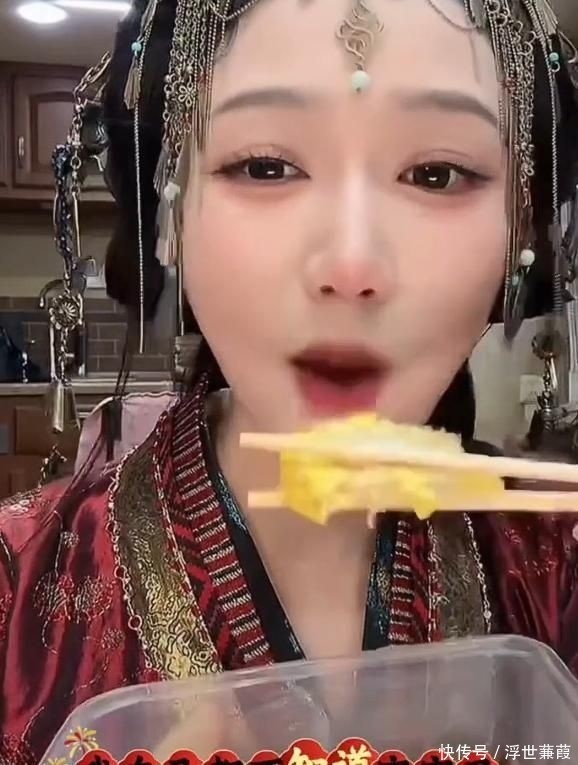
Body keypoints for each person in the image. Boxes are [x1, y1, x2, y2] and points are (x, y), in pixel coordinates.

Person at [2, 0, 578, 761]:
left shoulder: (558, 572)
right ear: (168, 215)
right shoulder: (16, 591)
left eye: (436, 174)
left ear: (521, 229)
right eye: (266, 166)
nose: (351, 265)